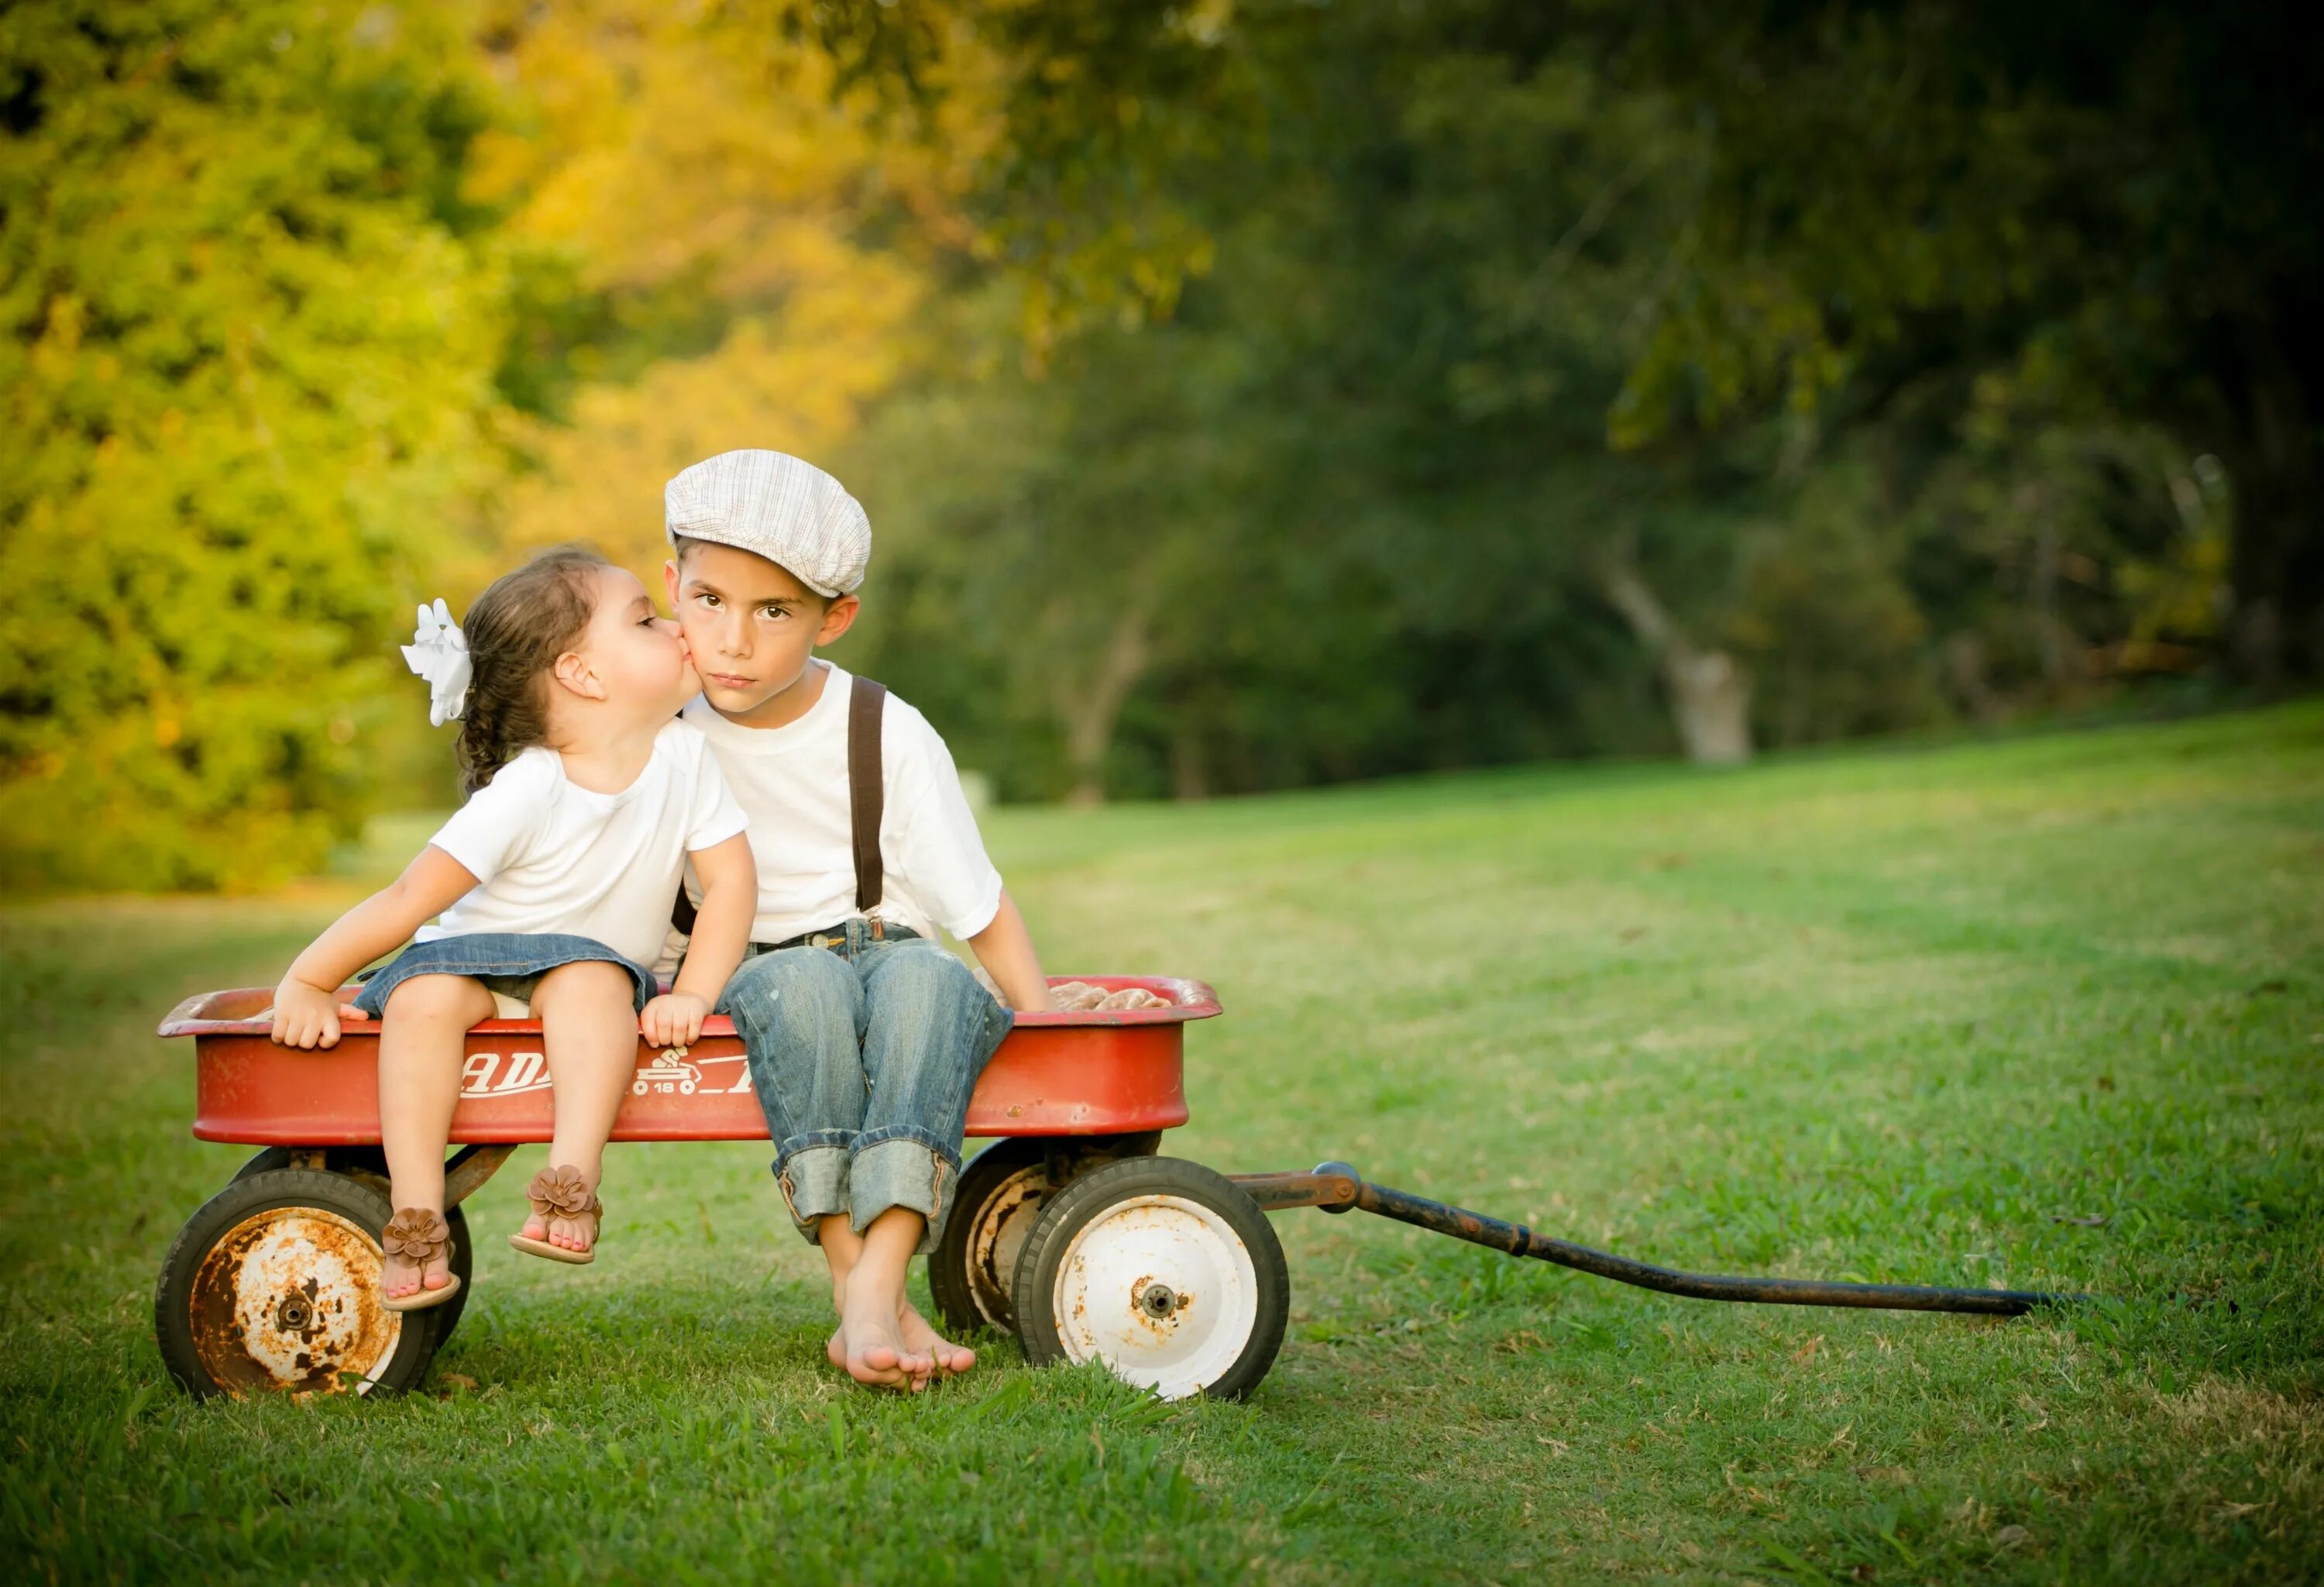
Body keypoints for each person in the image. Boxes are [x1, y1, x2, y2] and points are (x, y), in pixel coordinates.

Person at [267, 546, 756, 1310]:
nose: (678, 626)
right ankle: (416, 1208)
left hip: (585, 969)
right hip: (474, 957)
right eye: (646, 618)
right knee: (422, 1002)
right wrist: (310, 977)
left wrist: (692, 990)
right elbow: (409, 897)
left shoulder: (687, 757)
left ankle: (570, 1180)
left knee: (594, 982)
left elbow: (731, 884)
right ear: (583, 675)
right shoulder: (529, 786)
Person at [662, 449, 1054, 1392]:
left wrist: (1049, 1024)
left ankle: (873, 1284)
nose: (733, 642)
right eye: (708, 599)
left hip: (883, 941)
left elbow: (974, 900)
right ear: (670, 583)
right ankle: (867, 1286)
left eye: (774, 612)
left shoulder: (885, 726)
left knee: (932, 981)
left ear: (833, 617)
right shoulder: (659, 729)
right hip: (755, 965)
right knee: (803, 987)